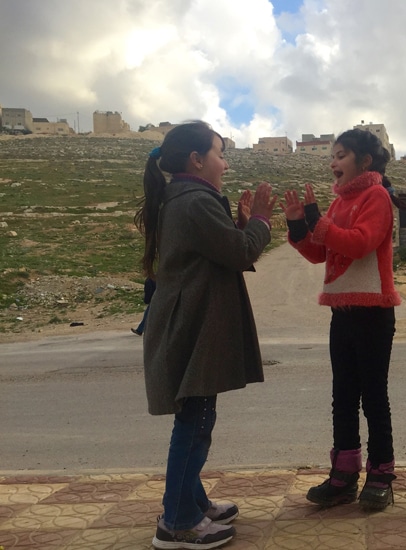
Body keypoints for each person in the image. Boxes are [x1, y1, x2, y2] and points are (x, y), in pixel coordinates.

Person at [134, 121, 276, 550]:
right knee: (194, 423)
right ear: (197, 160)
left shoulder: (186, 198)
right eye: (219, 153)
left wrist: (239, 224)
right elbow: (239, 252)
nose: (226, 163)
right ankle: (177, 521)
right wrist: (263, 223)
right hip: (191, 327)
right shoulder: (195, 200)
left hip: (190, 323)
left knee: (197, 418)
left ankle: (192, 502)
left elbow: (221, 247)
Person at [281, 129, 401, 511]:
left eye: (341, 155)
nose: (333, 162)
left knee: (373, 397)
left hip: (372, 314)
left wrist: (319, 223)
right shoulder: (337, 203)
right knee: (343, 396)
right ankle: (344, 474)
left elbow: (360, 242)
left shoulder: (377, 196)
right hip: (342, 313)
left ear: (364, 162)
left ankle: (381, 474)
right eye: (332, 156)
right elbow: (321, 253)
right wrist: (300, 227)